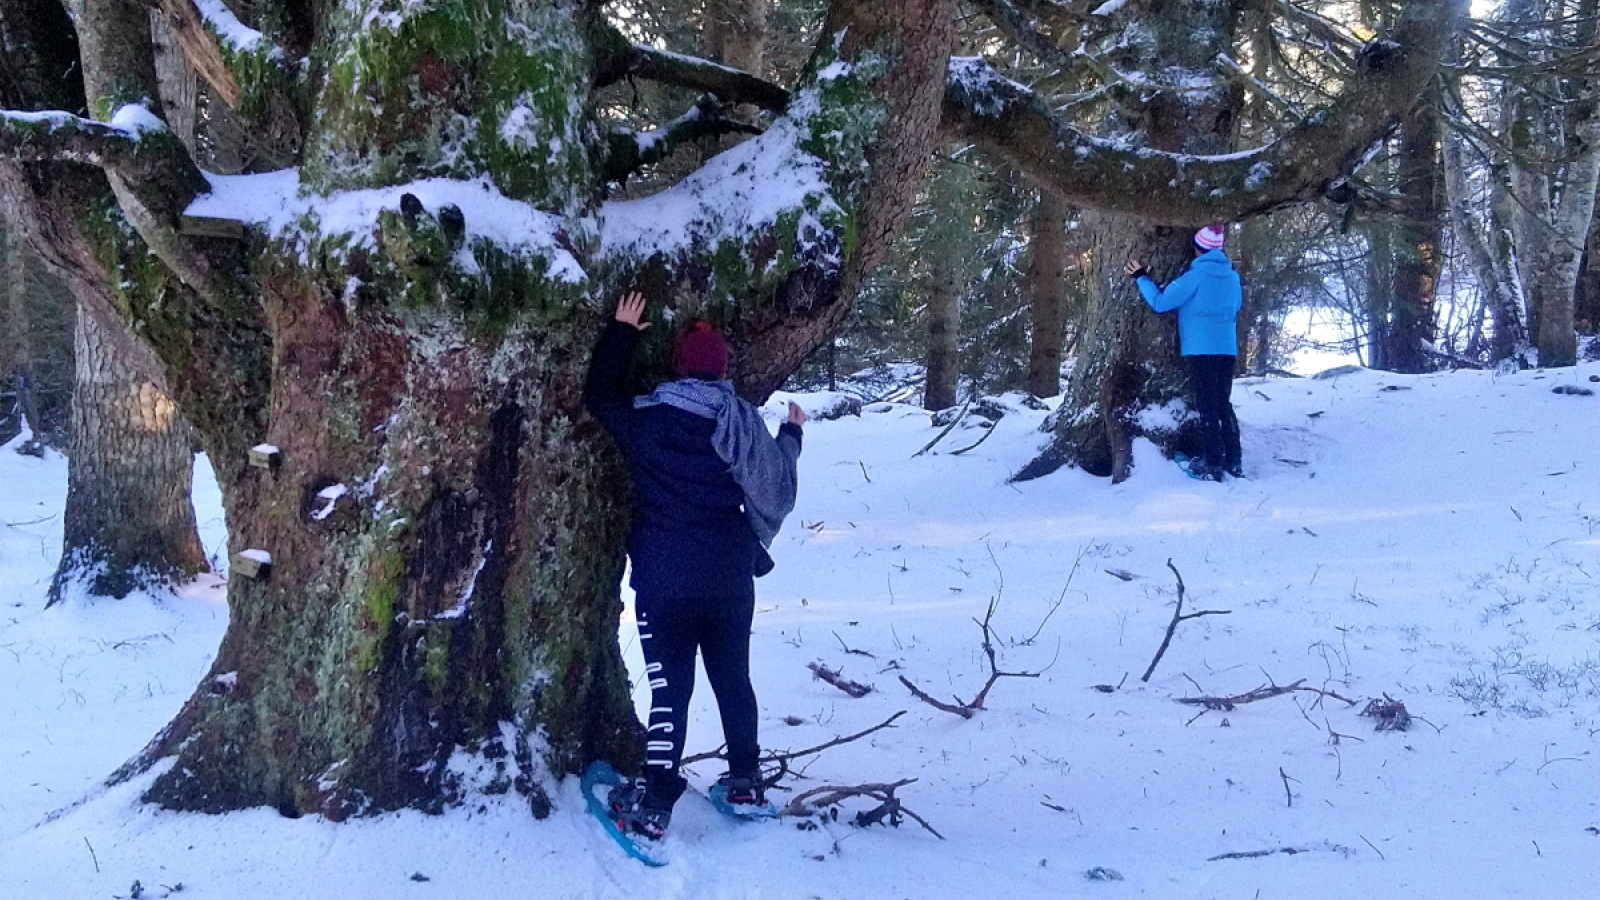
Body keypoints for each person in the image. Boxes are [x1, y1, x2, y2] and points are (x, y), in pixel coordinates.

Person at [583, 290, 806, 842]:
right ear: (725, 372)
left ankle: (655, 803)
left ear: (677, 364)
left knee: (670, 689)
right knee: (733, 678)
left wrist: (623, 331)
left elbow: (600, 396)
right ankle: (746, 781)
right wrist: (794, 434)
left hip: (665, 577)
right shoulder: (743, 424)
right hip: (730, 573)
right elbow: (776, 479)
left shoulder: (650, 419)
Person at [1124, 224, 1243, 480]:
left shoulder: (1195, 276)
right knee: (1223, 404)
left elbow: (1161, 303)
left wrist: (1142, 277)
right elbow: (1236, 305)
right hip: (1227, 347)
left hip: (1201, 348)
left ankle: (1212, 463)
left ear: (1197, 249)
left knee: (1207, 405)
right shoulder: (1232, 276)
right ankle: (1234, 460)